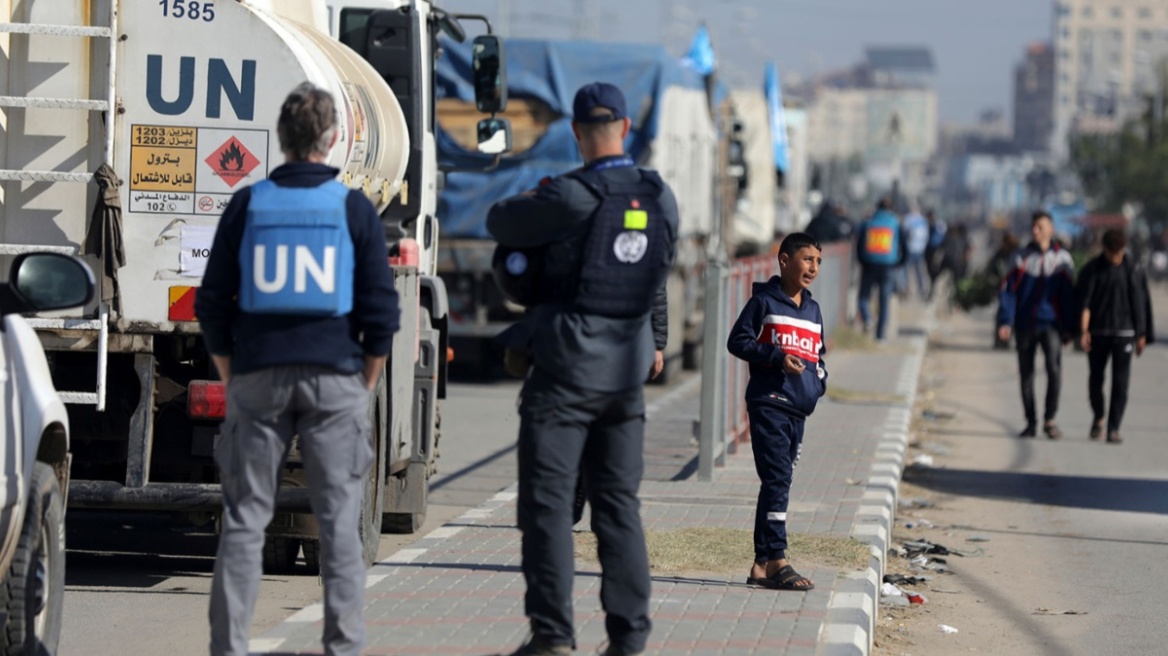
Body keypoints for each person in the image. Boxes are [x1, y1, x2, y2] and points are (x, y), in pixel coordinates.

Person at [196, 83, 400, 656]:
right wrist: (366, 379)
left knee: (243, 522)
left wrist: (233, 374)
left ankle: (229, 648)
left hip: (259, 375)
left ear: (282, 141)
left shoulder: (249, 203)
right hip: (336, 376)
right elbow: (382, 311)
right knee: (339, 524)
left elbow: (212, 302)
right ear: (334, 140)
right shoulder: (353, 209)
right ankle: (342, 647)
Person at [486, 82, 678, 656]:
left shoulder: (569, 197)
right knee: (619, 509)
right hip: (626, 380)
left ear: (575, 132)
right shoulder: (660, 197)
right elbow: (656, 275)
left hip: (565, 376)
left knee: (547, 507)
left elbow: (502, 222)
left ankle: (553, 638)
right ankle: (629, 640)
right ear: (624, 128)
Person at [726, 232, 827, 592]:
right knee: (778, 478)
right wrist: (775, 357)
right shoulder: (764, 302)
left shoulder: (813, 310)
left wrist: (818, 383)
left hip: (799, 410)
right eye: (806, 259)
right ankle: (778, 559)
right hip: (769, 403)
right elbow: (737, 341)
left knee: (776, 481)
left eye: (817, 261)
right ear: (784, 260)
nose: (812, 267)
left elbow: (819, 356)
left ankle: (760, 565)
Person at [997, 210, 1076, 439]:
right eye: (1033, 227)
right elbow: (1008, 292)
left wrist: (1070, 328)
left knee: (1054, 370)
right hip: (1025, 324)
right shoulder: (1020, 258)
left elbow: (1069, 297)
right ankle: (1031, 421)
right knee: (1026, 374)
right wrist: (1005, 320)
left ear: (1051, 230)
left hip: (1051, 325)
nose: (1036, 231)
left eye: (1040, 227)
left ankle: (1050, 419)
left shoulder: (1063, 260)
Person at [1076, 228, 1155, 444]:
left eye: (1119, 253)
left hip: (1125, 334)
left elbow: (1141, 304)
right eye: (1113, 253)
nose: (1116, 258)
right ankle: (1099, 415)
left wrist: (1142, 335)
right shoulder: (1092, 270)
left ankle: (1113, 428)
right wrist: (1083, 332)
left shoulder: (1133, 269)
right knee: (1095, 380)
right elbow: (1085, 304)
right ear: (1105, 250)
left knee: (1120, 383)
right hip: (1098, 333)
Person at [855, 196, 905, 340]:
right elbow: (904, 245)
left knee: (863, 297)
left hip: (869, 264)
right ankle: (880, 336)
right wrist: (899, 262)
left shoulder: (868, 222)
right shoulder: (895, 223)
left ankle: (868, 318)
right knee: (884, 301)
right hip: (888, 266)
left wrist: (862, 261)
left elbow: (859, 245)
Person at [902, 207, 930, 299]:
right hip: (917, 249)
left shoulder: (908, 219)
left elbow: (904, 232)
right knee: (917, 271)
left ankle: (908, 289)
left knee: (910, 271)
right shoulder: (922, 220)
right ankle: (916, 289)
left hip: (913, 249)